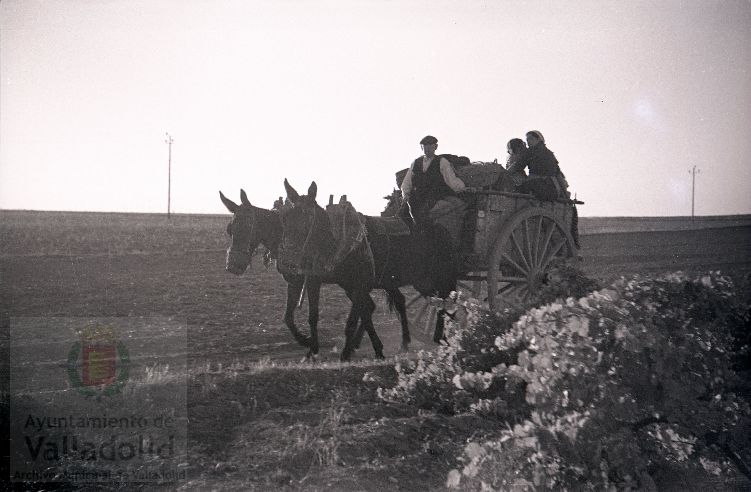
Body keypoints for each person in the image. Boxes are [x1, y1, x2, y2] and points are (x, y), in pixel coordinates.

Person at [400, 135, 467, 228]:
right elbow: (407, 183)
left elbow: (451, 181)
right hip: (416, 200)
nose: (427, 148)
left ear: (435, 147)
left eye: (430, 146)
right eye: (425, 146)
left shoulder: (442, 162)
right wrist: (405, 195)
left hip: (434, 199)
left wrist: (463, 188)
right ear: (421, 147)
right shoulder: (416, 162)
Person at [516, 130, 570, 200]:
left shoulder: (531, 152)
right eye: (527, 140)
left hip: (539, 187)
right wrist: (566, 195)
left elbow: (517, 167)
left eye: (531, 139)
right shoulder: (550, 154)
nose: (528, 142)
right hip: (554, 191)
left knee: (516, 189)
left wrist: (506, 172)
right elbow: (558, 175)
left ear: (539, 139)